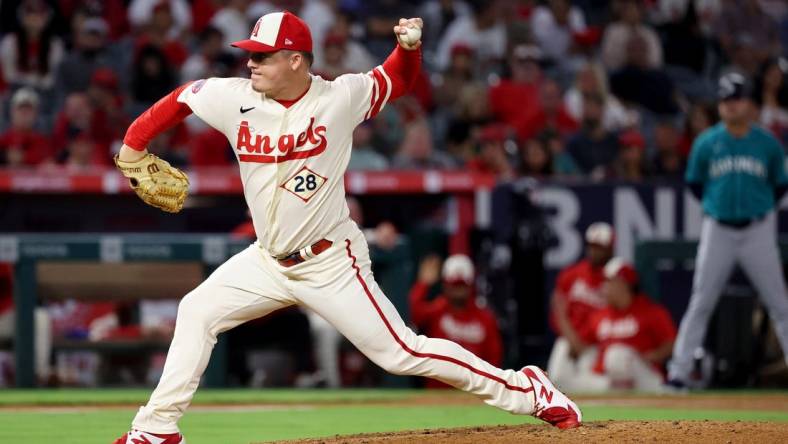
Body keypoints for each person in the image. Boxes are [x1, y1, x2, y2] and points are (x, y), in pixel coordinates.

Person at [112, 12, 581, 444]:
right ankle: (156, 430)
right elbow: (181, 98)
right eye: (249, 54)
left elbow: (396, 80)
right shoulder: (235, 98)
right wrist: (133, 148)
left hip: (330, 262)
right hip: (267, 260)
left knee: (402, 353)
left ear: (295, 60)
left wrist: (409, 49)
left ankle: (527, 388)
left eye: (261, 55)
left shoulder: (339, 97)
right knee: (197, 311)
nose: (250, 63)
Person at [668, 72, 788, 386]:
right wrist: (718, 207)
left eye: (736, 99)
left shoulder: (767, 143)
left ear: (749, 103)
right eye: (725, 100)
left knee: (780, 304)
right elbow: (695, 184)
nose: (731, 106)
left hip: (758, 229)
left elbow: (780, 185)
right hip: (718, 228)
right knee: (702, 300)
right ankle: (678, 373)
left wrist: (757, 207)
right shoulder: (707, 142)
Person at [575, 258, 677, 392]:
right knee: (570, 375)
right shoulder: (599, 315)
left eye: (608, 281)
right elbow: (581, 345)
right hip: (608, 378)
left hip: (642, 375)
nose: (603, 286)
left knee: (616, 355)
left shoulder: (651, 311)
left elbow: (672, 343)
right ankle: (614, 392)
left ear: (623, 284)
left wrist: (655, 355)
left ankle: (661, 391)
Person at [409, 254, 503, 388]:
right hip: (437, 392)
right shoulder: (437, 309)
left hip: (474, 392)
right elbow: (411, 315)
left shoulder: (485, 317)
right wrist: (423, 284)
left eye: (462, 285)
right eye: (454, 285)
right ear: (446, 285)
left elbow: (494, 358)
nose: (458, 290)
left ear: (470, 286)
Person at [547, 222, 613, 391]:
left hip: (597, 346)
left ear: (611, 248)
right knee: (555, 380)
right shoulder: (572, 274)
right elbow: (558, 309)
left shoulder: (614, 279)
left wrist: (585, 343)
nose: (594, 251)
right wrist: (573, 339)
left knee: (600, 387)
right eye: (592, 246)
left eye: (600, 247)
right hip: (569, 340)